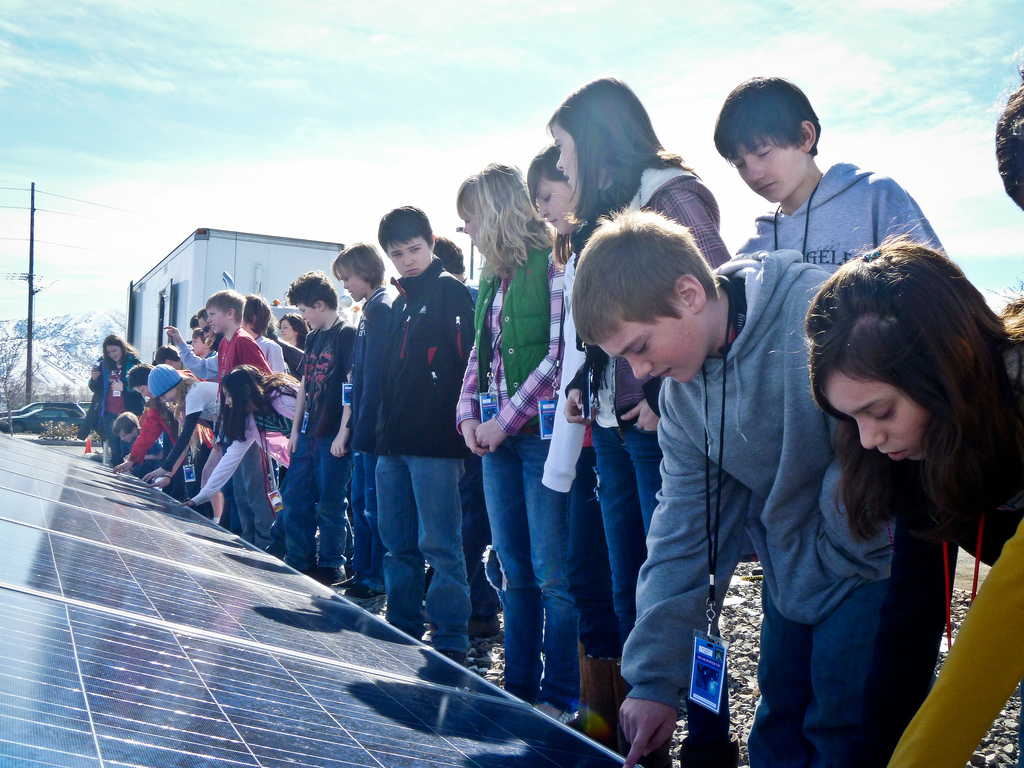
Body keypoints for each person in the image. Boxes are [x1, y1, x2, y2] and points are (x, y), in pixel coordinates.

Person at [571, 209, 890, 768]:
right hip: (789, 574)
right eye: (625, 360)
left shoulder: (819, 319)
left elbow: (875, 462)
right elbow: (681, 533)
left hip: (871, 564)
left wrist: (829, 547)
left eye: (641, 347)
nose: (640, 372)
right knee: (776, 729)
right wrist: (652, 682)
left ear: (690, 293)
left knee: (842, 732)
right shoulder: (682, 398)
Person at [547, 76, 733, 764]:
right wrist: (587, 377)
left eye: (566, 154)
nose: (563, 170)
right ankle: (641, 729)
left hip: (663, 429)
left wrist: (660, 393)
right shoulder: (614, 211)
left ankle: (711, 742)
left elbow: (714, 300)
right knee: (637, 591)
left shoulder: (670, 199)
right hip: (618, 428)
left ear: (598, 144)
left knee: (691, 592)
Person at [803, 242, 1024, 768]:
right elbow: (911, 616)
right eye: (849, 418)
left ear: (945, 370)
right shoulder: (919, 451)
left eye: (879, 411)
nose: (867, 439)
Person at [456, 163, 577, 719]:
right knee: (513, 566)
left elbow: (558, 357)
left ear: (495, 211)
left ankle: (561, 697)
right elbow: (481, 358)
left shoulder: (553, 261)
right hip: (495, 441)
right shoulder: (492, 277)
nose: (467, 232)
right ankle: (521, 686)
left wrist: (501, 421)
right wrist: (466, 416)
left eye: (470, 219)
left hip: (537, 440)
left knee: (554, 573)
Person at [528, 143, 622, 747]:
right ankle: (599, 724)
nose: (544, 209)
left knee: (622, 581)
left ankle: (639, 733)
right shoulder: (570, 253)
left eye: (549, 192)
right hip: (585, 437)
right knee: (589, 578)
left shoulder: (607, 243)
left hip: (617, 436)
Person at [375, 206, 475, 664]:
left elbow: (469, 364)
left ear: (432, 242)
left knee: (441, 544)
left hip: (436, 442)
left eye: (414, 249)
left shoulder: (451, 291)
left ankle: (451, 637)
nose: (408, 259)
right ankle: (402, 628)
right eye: (398, 254)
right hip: (392, 442)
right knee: (397, 542)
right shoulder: (398, 302)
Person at [714, 76, 941, 265]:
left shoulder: (876, 198)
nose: (753, 175)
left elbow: (938, 294)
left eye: (763, 152)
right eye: (740, 164)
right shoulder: (752, 252)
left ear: (805, 137)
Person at [434, 234, 502, 637]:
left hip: (476, 422)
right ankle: (478, 605)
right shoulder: (479, 293)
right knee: (475, 516)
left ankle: (479, 607)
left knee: (473, 516)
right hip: (475, 420)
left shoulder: (466, 296)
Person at [284, 271, 356, 585]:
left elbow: (352, 384)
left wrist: (344, 430)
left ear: (319, 304)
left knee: (331, 503)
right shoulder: (313, 337)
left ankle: (332, 564)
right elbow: (303, 385)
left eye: (303, 310)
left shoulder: (346, 333)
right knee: (295, 496)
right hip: (309, 429)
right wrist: (295, 430)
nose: (303, 317)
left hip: (333, 430)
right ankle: (298, 558)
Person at [330, 243, 392, 599]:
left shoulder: (382, 309)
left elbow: (377, 377)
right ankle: (364, 570)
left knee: (373, 506)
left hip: (373, 426)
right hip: (363, 425)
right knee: (362, 504)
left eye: (348, 277)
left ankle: (375, 576)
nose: (346, 286)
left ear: (366, 271)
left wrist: (362, 426)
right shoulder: (371, 309)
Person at [185, 365, 297, 510]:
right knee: (288, 510)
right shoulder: (251, 422)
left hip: (318, 453)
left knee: (298, 506)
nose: (227, 402)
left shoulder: (282, 398)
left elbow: (312, 423)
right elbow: (230, 458)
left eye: (229, 395)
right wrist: (204, 495)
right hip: (299, 460)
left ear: (243, 392)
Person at [143, 364, 219, 518]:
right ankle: (215, 518)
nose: (165, 401)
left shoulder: (194, 394)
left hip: (240, 434)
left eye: (164, 396)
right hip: (225, 435)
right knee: (208, 474)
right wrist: (168, 476)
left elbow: (185, 436)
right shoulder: (187, 400)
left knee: (229, 483)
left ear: (173, 386)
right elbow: (184, 446)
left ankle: (220, 519)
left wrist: (165, 467)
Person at [86, 334, 143, 467]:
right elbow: (97, 389)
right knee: (115, 450)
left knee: (129, 448)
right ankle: (117, 477)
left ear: (122, 348)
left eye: (114, 350)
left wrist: (124, 387)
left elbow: (142, 384)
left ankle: (134, 477)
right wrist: (94, 380)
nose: (112, 354)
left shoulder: (134, 362)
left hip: (128, 413)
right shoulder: (103, 365)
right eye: (109, 352)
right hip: (109, 413)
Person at [243, 294, 288, 374]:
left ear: (253, 319)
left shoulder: (270, 347)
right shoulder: (235, 343)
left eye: (239, 316)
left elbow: (278, 381)